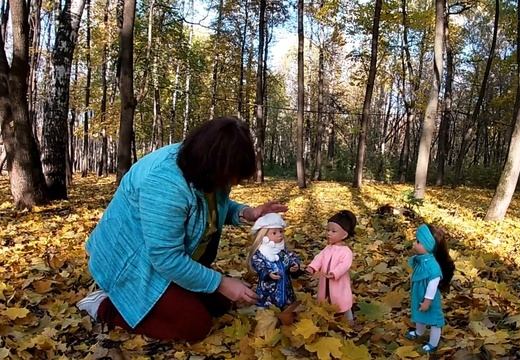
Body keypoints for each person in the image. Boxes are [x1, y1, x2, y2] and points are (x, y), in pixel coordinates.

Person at [76, 117, 287, 342]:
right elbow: (166, 258)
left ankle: (169, 297)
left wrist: (247, 213)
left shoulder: (205, 170)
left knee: (221, 305)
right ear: (214, 164)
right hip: (131, 260)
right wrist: (221, 282)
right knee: (194, 326)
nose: (232, 183)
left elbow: (211, 210)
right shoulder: (165, 183)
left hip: (164, 257)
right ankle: (104, 305)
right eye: (230, 177)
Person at [405, 224, 455, 353]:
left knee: (434, 320)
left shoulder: (433, 266)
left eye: (418, 242)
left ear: (428, 245)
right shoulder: (421, 260)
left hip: (429, 298)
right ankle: (419, 331)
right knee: (418, 313)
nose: (415, 244)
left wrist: (427, 301)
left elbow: (433, 285)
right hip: (419, 293)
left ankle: (433, 343)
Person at [306, 210, 357, 324]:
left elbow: (344, 265)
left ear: (344, 234)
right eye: (328, 230)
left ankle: (349, 320)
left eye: (333, 231)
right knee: (325, 299)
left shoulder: (346, 251)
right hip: (325, 281)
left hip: (338, 283)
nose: (329, 233)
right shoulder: (327, 248)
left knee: (342, 301)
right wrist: (312, 267)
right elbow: (319, 258)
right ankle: (326, 318)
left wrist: (335, 273)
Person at [247, 213, 301, 309]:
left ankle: (286, 307)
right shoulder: (261, 253)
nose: (280, 235)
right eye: (274, 233)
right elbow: (259, 265)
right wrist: (268, 273)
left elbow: (292, 257)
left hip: (286, 288)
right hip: (268, 292)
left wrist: (294, 265)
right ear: (264, 236)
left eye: (281, 231)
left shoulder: (283, 251)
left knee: (288, 309)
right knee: (269, 311)